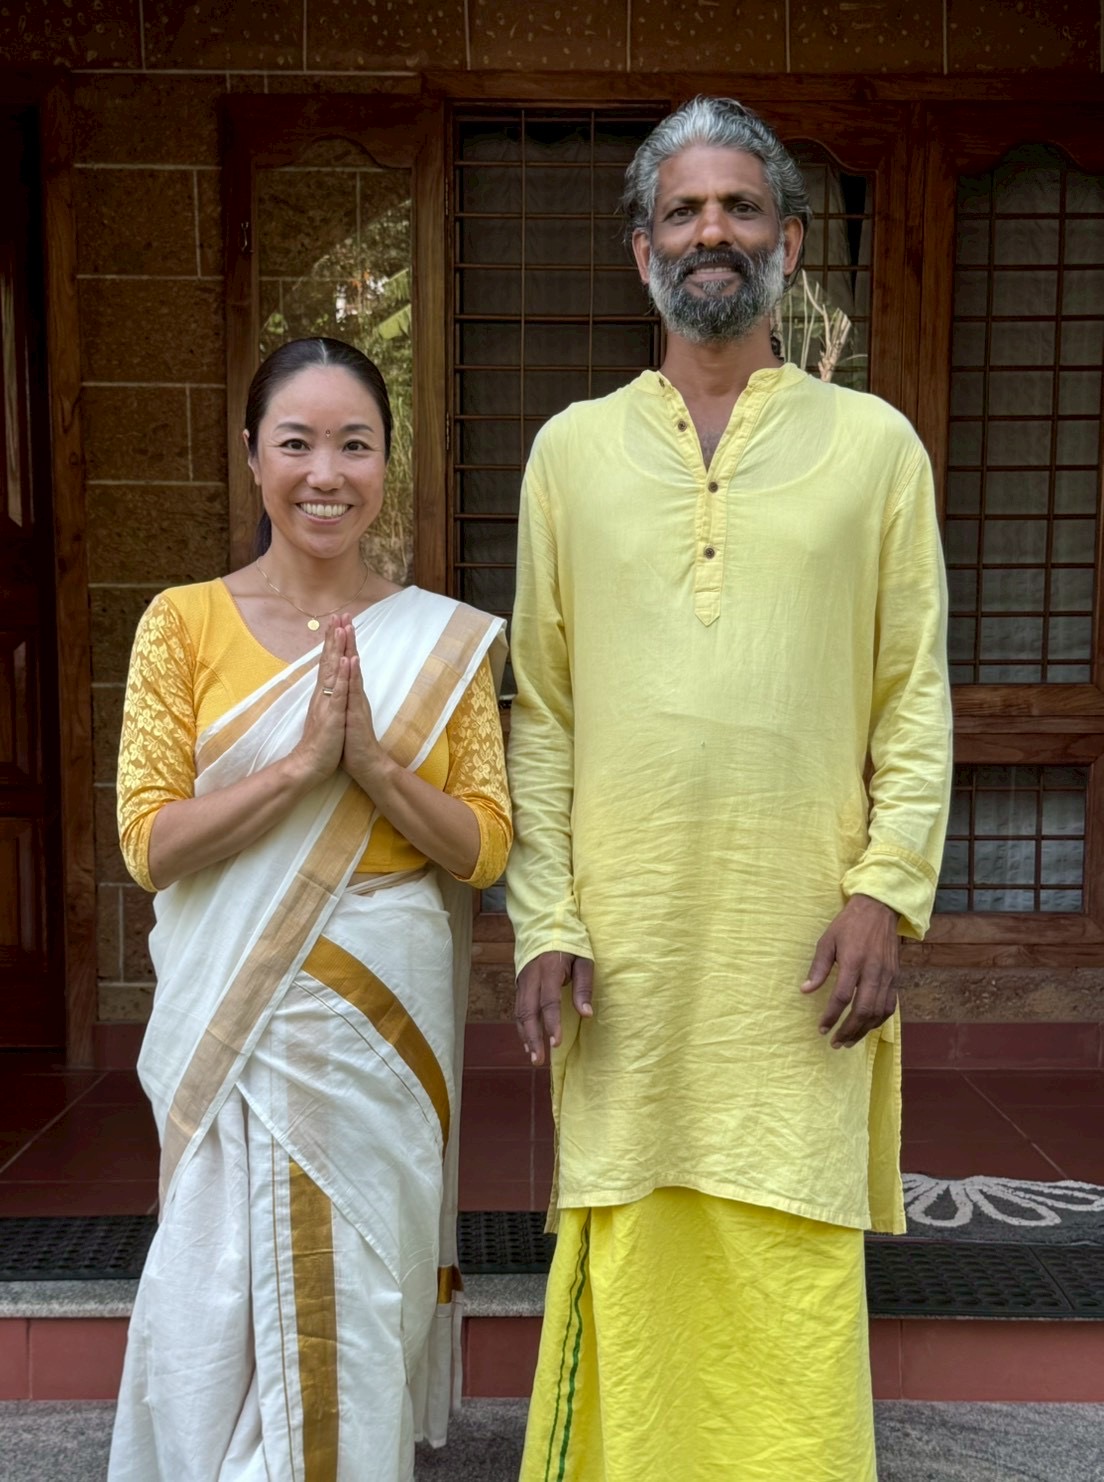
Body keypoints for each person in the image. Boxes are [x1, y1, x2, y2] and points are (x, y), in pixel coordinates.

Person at [507, 98, 952, 1481]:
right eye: (685, 210)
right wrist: (544, 918)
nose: (714, 230)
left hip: (798, 952)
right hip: (629, 955)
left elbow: (914, 693)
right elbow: (542, 712)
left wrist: (886, 892)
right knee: (634, 1244)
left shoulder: (875, 447)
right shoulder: (569, 453)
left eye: (741, 207)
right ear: (642, 249)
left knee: (789, 1261)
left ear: (790, 243)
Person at [109, 337, 511, 1481]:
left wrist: (373, 766)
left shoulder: (441, 640)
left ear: (388, 463)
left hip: (376, 1024)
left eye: (354, 445)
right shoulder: (182, 623)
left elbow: (485, 845)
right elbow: (148, 843)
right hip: (234, 1011)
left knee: (356, 1306)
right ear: (253, 456)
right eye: (297, 443)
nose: (325, 473)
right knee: (218, 1292)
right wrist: (296, 770)